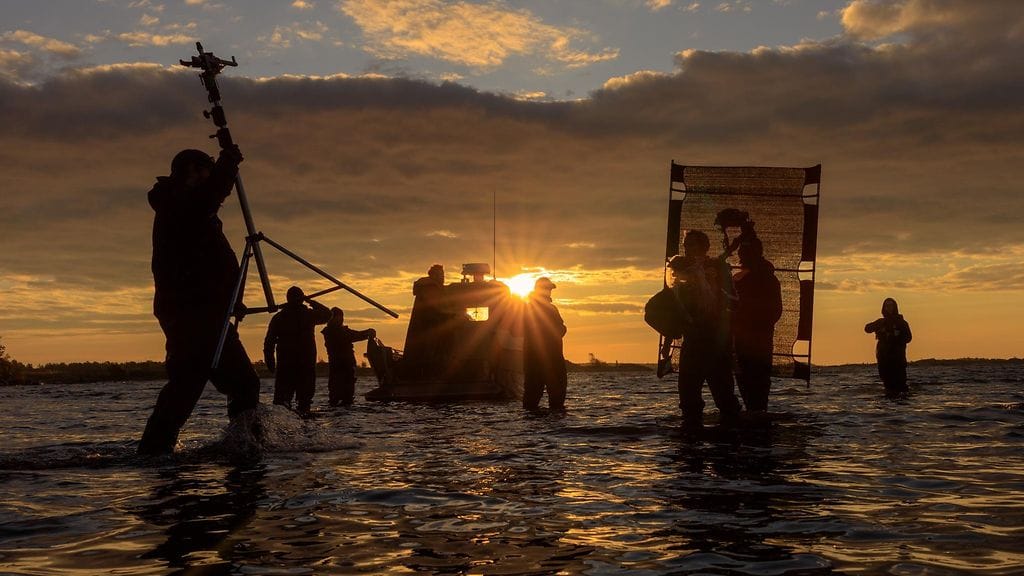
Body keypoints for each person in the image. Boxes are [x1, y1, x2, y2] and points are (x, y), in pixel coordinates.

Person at [139, 145, 261, 455]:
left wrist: (230, 300)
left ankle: (244, 444)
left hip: (210, 313)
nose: (210, 180)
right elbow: (210, 197)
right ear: (193, 171)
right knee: (188, 386)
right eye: (206, 171)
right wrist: (228, 163)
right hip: (192, 316)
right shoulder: (178, 203)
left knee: (241, 384)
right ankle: (154, 454)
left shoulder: (188, 207)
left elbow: (209, 264)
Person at [670, 230, 742, 431]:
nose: (688, 249)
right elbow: (674, 305)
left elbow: (734, 302)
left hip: (715, 341)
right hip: (692, 339)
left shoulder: (718, 268)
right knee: (688, 394)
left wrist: (713, 289)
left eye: (692, 245)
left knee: (723, 393)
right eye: (686, 245)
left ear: (704, 247)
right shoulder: (680, 270)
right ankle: (690, 436)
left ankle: (730, 436)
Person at [732, 237, 783, 412]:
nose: (741, 255)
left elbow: (775, 311)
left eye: (745, 251)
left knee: (757, 385)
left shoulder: (768, 279)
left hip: (759, 340)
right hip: (740, 339)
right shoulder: (738, 278)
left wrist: (746, 307)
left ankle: (757, 417)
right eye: (740, 251)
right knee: (745, 382)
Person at [263, 286, 331, 415]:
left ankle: (286, 422)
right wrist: (310, 301)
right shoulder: (307, 315)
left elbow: (269, 342)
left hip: (293, 363)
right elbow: (327, 314)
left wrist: (270, 361)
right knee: (301, 402)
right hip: (297, 363)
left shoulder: (282, 317)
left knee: (285, 401)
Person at [523, 277, 568, 411]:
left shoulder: (536, 307)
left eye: (550, 289)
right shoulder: (541, 308)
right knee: (553, 395)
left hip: (537, 358)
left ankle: (533, 426)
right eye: (547, 289)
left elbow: (560, 328)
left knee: (533, 396)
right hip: (547, 358)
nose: (549, 292)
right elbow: (559, 329)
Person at [321, 307, 376, 406]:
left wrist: (367, 333)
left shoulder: (339, 331)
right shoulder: (332, 332)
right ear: (331, 318)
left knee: (347, 397)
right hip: (339, 367)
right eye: (338, 317)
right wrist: (367, 333)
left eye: (341, 317)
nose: (341, 319)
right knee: (336, 395)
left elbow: (353, 334)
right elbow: (352, 335)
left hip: (346, 367)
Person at [864, 298, 913, 396]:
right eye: (887, 306)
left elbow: (908, 338)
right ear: (883, 308)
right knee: (887, 385)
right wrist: (878, 327)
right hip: (883, 358)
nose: (889, 308)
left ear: (895, 307)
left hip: (898, 358)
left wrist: (897, 336)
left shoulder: (901, 322)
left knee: (901, 386)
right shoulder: (881, 322)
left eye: (891, 305)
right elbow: (867, 328)